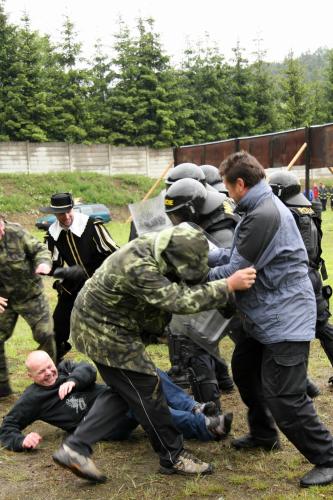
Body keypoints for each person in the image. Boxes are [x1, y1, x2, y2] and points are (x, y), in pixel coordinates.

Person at [52, 225, 256, 481]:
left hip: (106, 327)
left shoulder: (163, 246)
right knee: (150, 390)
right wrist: (227, 286)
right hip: (104, 333)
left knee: (126, 392)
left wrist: (225, 301)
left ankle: (75, 448)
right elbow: (176, 299)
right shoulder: (139, 265)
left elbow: (190, 276)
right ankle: (174, 456)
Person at [208, 151, 333, 488]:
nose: (228, 194)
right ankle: (264, 434)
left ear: (239, 184)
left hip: (284, 317)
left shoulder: (262, 212)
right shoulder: (255, 208)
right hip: (266, 315)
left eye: (228, 187)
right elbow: (232, 254)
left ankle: (328, 457)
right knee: (246, 372)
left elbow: (236, 270)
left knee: (285, 397)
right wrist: (197, 253)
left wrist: (196, 276)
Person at [0, 351, 232, 453]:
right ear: (30, 377)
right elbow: (7, 428)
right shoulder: (32, 399)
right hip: (106, 424)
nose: (50, 373)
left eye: (50, 366)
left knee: (146, 373)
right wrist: (22, 441)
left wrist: (73, 381)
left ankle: (193, 407)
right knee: (138, 404)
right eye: (41, 372)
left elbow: (87, 369)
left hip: (113, 398)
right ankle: (205, 427)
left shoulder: (63, 369)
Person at [164, 177, 240, 406]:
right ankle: (222, 385)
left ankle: (210, 411)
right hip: (221, 292)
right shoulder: (207, 219)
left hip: (233, 294)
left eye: (177, 215)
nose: (175, 221)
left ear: (191, 208)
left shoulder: (221, 225)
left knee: (194, 344)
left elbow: (230, 265)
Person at [269, 171, 333, 386]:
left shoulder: (291, 213)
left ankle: (298, 382)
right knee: (321, 326)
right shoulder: (306, 208)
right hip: (312, 274)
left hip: (301, 277)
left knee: (310, 329)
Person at [40, 193, 118, 362]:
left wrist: (104, 276)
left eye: (69, 211)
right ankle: (51, 359)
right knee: (59, 322)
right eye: (61, 213)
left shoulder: (92, 226)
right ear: (54, 214)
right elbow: (52, 264)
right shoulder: (53, 234)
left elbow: (114, 253)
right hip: (74, 283)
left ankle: (116, 357)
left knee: (107, 323)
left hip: (101, 280)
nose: (66, 216)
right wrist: (64, 273)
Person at [0, 215, 55, 398]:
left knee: (45, 334)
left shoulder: (16, 232)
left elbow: (40, 250)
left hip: (31, 295)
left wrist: (43, 264)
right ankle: (3, 389)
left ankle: (49, 383)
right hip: (4, 299)